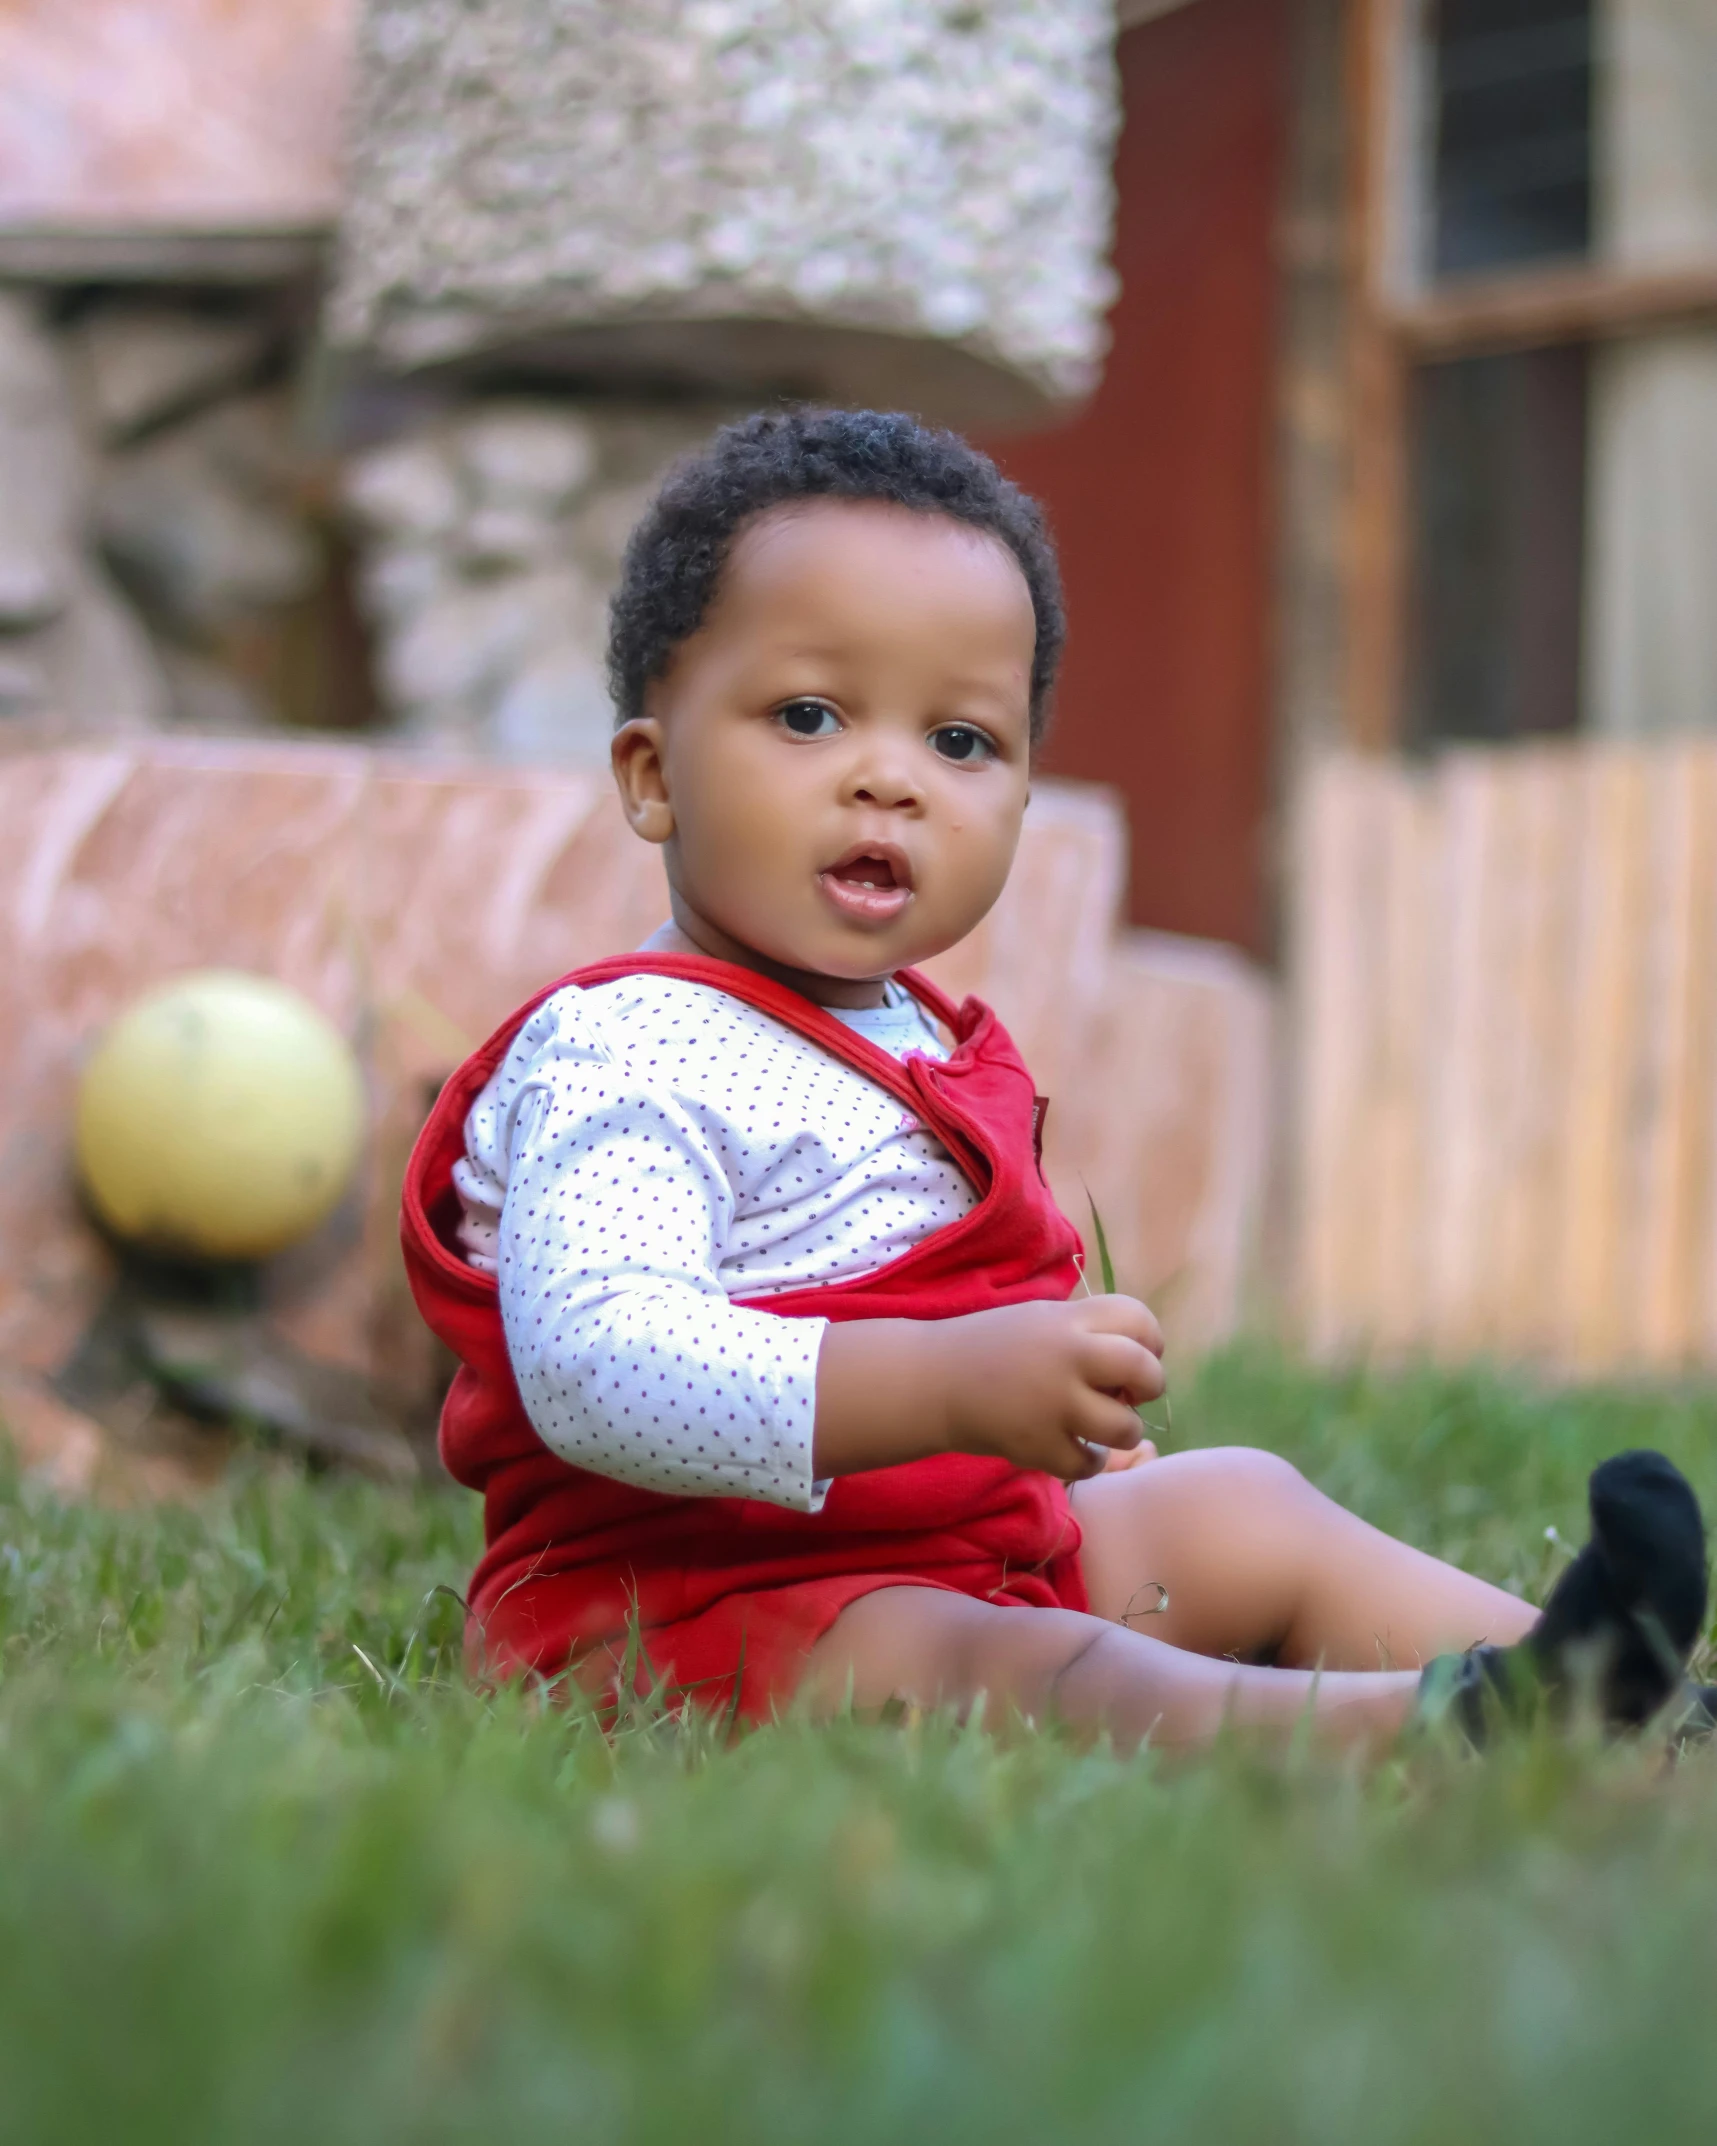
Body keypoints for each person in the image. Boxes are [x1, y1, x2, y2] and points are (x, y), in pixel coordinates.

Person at [402, 408, 1708, 1752]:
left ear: (1023, 796)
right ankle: (1427, 1734)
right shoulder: (630, 1048)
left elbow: (942, 1288)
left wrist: (1054, 1415)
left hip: (949, 1544)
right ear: (652, 772)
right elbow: (598, 1367)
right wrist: (954, 1386)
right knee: (1012, 1658)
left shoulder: (921, 1037)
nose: (887, 780)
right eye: (809, 714)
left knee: (1238, 1503)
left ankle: (1630, 1695)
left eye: (960, 742)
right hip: (689, 1606)